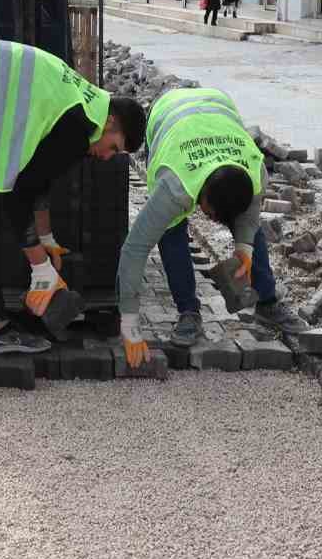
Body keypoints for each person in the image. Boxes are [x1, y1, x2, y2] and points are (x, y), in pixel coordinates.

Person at [0, 37, 146, 386]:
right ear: (111, 122)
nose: (108, 156)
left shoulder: (86, 108)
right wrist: (40, 266)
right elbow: (20, 196)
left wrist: (47, 238)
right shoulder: (80, 123)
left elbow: (36, 181)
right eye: (114, 147)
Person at [117, 86, 310, 368]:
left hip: (216, 105)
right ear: (201, 198)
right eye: (213, 215)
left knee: (247, 225)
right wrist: (130, 323)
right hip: (168, 116)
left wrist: (243, 250)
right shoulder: (174, 185)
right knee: (171, 232)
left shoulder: (256, 169)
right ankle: (188, 312)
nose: (212, 222)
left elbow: (250, 217)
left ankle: (267, 303)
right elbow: (134, 249)